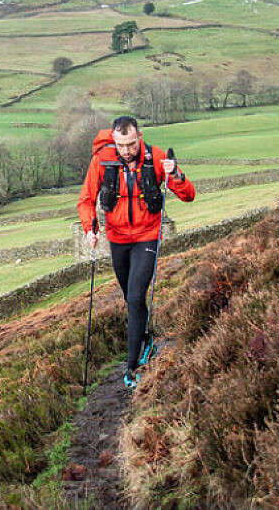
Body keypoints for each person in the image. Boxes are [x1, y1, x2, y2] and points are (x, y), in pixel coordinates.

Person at [78, 115, 195, 388]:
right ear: (113, 140)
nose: (126, 150)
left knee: (135, 295)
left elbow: (189, 195)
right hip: (117, 239)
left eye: (131, 144)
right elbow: (85, 200)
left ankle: (132, 368)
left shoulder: (157, 158)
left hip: (147, 237)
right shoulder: (102, 160)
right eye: (121, 145)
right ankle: (146, 341)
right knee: (131, 299)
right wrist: (90, 227)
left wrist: (175, 175)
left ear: (139, 136)